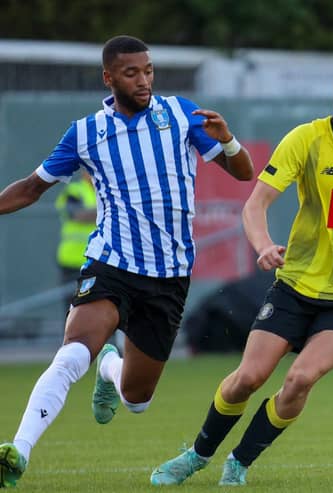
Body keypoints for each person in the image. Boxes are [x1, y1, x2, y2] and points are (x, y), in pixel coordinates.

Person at [150, 43, 333, 487]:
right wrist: (263, 244)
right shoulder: (305, 140)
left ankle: (239, 462)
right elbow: (255, 205)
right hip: (296, 284)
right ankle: (197, 454)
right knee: (248, 378)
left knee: (301, 379)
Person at [0, 35, 254, 488]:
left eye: (149, 71)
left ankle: (110, 369)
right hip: (112, 262)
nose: (144, 80)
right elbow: (31, 187)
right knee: (73, 351)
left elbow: (244, 173)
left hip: (170, 276)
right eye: (132, 73)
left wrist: (229, 141)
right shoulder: (85, 133)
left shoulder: (180, 114)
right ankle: (17, 450)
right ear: (109, 77)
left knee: (138, 399)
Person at [55, 170, 97, 308]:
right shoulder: (74, 191)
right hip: (73, 261)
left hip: (99, 261)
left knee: (102, 309)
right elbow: (79, 215)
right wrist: (112, 210)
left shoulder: (108, 192)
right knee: (73, 308)